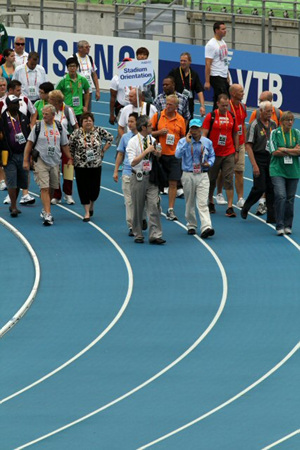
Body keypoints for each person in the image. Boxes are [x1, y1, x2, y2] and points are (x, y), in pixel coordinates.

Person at [23, 105, 72, 226]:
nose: (43, 116)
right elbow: (29, 144)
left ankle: (45, 208)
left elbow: (64, 144)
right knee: (44, 188)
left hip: (55, 161)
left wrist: (70, 158)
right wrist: (25, 160)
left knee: (52, 187)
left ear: (53, 115)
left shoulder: (60, 127)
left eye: (46, 114)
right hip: (41, 160)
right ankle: (48, 214)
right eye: (43, 114)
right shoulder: (38, 127)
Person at [126, 115, 166, 244]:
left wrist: (157, 153)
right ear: (143, 127)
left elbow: (158, 156)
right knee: (138, 207)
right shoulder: (132, 142)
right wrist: (146, 151)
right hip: (138, 176)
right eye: (149, 125)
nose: (152, 127)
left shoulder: (152, 139)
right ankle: (138, 233)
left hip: (151, 176)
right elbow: (132, 162)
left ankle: (155, 234)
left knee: (154, 205)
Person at [69, 112, 113, 221]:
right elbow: (70, 147)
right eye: (85, 121)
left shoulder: (98, 131)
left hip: (96, 164)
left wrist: (103, 150)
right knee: (83, 188)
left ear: (93, 122)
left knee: (95, 189)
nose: (88, 122)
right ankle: (87, 212)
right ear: (81, 123)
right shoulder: (76, 133)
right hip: (80, 165)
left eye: (90, 120)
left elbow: (110, 138)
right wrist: (71, 159)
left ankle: (92, 204)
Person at [175, 118, 215, 237]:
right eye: (192, 128)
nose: (194, 131)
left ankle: (206, 227)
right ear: (189, 130)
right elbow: (177, 155)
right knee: (190, 201)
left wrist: (210, 163)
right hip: (188, 174)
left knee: (203, 202)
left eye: (197, 128)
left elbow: (212, 155)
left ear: (201, 129)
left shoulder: (207, 142)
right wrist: (187, 143)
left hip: (202, 174)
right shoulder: (183, 141)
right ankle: (191, 224)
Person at [202, 93, 239, 217]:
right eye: (223, 105)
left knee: (228, 178)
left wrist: (237, 151)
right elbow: (204, 134)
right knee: (211, 179)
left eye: (227, 105)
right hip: (214, 154)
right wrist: (204, 152)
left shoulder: (232, 116)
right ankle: (211, 202)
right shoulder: (211, 116)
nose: (225, 107)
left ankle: (229, 207)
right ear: (217, 104)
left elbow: (235, 134)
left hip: (229, 152)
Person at [1, 79, 36, 205]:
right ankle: (12, 200)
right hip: (8, 149)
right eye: (17, 90)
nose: (20, 93)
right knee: (11, 175)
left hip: (22, 148)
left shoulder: (25, 100)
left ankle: (25, 194)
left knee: (23, 173)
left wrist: (31, 124)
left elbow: (33, 112)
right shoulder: (1, 104)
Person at [240, 101, 277, 223]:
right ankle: (246, 206)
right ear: (260, 111)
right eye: (267, 111)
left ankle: (271, 216)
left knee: (271, 188)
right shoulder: (254, 125)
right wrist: (254, 165)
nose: (270, 114)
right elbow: (248, 146)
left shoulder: (273, 124)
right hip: (258, 158)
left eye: (271, 111)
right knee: (260, 187)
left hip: (271, 158)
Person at [151, 94, 186, 220]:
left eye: (170, 104)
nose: (167, 106)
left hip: (174, 156)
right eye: (167, 103)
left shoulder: (180, 119)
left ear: (176, 106)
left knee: (173, 183)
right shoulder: (158, 116)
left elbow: (183, 138)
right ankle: (156, 203)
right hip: (159, 155)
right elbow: (149, 132)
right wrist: (159, 133)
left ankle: (170, 209)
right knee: (157, 183)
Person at [249, 90, 283, 216]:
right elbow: (251, 132)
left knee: (271, 183)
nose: (260, 103)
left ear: (270, 102)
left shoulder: (278, 114)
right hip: (259, 153)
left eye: (262, 101)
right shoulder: (256, 113)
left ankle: (270, 209)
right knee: (260, 182)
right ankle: (260, 202)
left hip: (273, 155)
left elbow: (281, 132)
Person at [269, 111, 300, 235]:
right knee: (281, 196)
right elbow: (274, 152)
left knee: (290, 199)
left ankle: (288, 225)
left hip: (293, 171)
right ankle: (279, 225)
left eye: (292, 120)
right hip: (277, 170)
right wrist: (293, 150)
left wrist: (285, 149)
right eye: (288, 120)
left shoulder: (297, 133)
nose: (290, 122)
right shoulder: (275, 133)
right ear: (282, 122)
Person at [0, 95, 31, 217]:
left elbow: (28, 134)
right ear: (8, 105)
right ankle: (13, 206)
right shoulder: (2, 119)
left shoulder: (23, 117)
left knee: (20, 182)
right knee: (12, 181)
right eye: (14, 103)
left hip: (22, 154)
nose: (16, 105)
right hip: (9, 154)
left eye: (17, 103)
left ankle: (13, 203)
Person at [48, 90, 79, 205]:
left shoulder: (68, 110)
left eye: (50, 99)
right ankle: (56, 195)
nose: (48, 100)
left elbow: (76, 126)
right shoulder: (49, 110)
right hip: (53, 142)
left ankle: (68, 194)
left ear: (56, 101)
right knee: (54, 169)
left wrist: (77, 141)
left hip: (66, 142)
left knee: (68, 168)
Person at [113, 112, 141, 235]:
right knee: (129, 201)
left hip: (141, 173)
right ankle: (131, 225)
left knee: (141, 200)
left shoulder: (144, 138)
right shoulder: (125, 137)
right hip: (127, 172)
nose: (128, 124)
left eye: (131, 121)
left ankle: (141, 219)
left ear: (138, 123)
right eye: (128, 121)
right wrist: (115, 171)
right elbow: (120, 154)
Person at [168, 52, 205, 118]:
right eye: (181, 61)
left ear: (190, 62)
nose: (182, 63)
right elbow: (168, 85)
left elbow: (199, 91)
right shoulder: (174, 72)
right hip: (177, 106)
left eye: (184, 61)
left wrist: (202, 106)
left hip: (189, 106)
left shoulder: (194, 74)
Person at [205, 21, 230, 111]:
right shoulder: (211, 45)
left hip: (223, 74)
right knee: (222, 98)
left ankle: (214, 116)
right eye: (223, 29)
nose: (225, 31)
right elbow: (208, 63)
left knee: (220, 98)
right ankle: (216, 117)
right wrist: (207, 81)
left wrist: (227, 75)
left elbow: (225, 60)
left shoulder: (223, 43)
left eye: (225, 29)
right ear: (216, 30)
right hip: (215, 75)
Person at [56, 57, 90, 124]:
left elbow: (87, 91)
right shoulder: (63, 80)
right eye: (70, 66)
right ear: (67, 68)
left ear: (77, 67)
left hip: (79, 111)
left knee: (79, 132)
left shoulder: (82, 79)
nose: (72, 68)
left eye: (74, 66)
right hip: (66, 111)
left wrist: (85, 106)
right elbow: (55, 94)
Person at [73, 40, 100, 110]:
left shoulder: (90, 58)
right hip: (76, 92)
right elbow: (67, 75)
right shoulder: (73, 58)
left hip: (88, 91)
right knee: (76, 112)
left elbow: (94, 75)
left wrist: (97, 90)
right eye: (86, 47)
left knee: (87, 112)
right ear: (80, 48)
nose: (88, 49)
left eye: (89, 47)